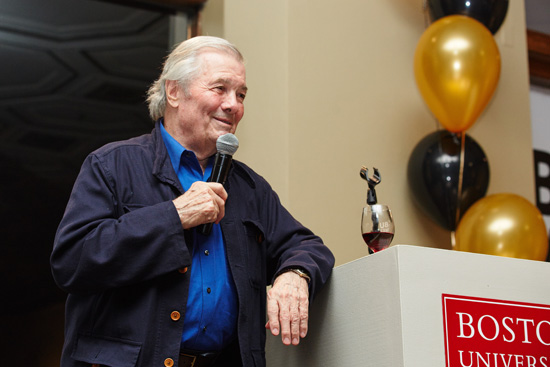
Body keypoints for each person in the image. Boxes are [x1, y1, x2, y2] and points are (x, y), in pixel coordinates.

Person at [50, 36, 334, 367]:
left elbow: (307, 246)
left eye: (241, 94)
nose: (234, 104)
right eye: (220, 89)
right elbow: (71, 261)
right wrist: (174, 215)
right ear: (174, 92)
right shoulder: (112, 165)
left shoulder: (250, 188)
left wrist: (295, 273)